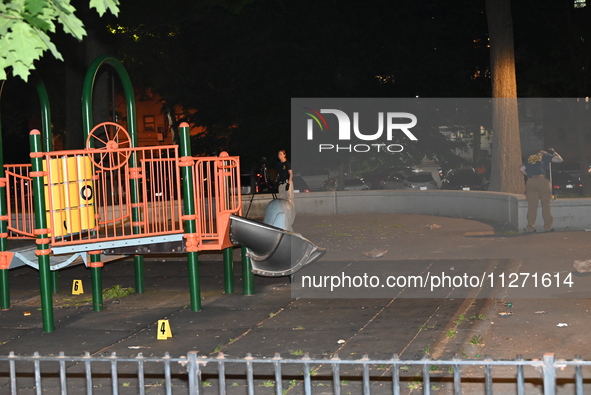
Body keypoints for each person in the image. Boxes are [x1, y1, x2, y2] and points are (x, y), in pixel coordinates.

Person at [519, 148, 563, 232]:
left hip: (530, 181)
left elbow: (521, 169)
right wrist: (554, 152)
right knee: (546, 205)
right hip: (541, 180)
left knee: (532, 206)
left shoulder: (530, 157)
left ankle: (530, 228)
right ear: (543, 152)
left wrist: (528, 175)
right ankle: (547, 227)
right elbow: (560, 160)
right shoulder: (545, 155)